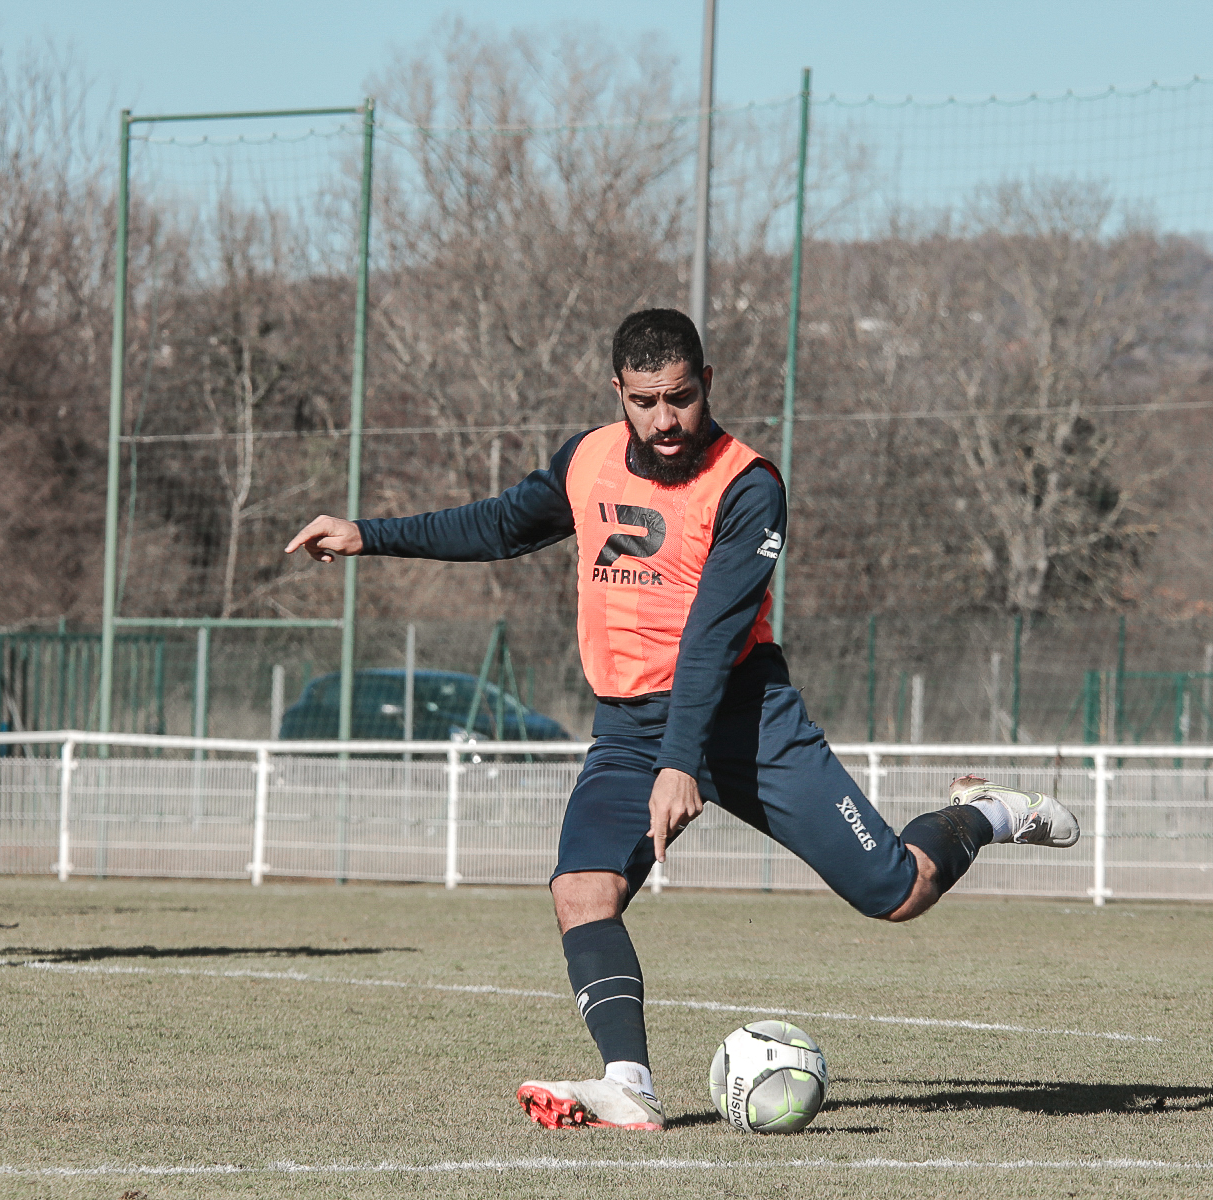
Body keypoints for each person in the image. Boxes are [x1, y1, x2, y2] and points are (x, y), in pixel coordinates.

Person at [286, 308, 1079, 1131]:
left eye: (680, 397)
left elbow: (711, 636)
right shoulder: (589, 459)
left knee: (896, 892)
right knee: (582, 891)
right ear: (617, 393)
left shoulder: (749, 484)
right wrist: (366, 535)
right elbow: (497, 525)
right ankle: (629, 1084)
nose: (665, 421)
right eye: (644, 401)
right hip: (629, 729)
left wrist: (681, 760)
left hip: (744, 718)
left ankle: (987, 810)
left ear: (708, 383)